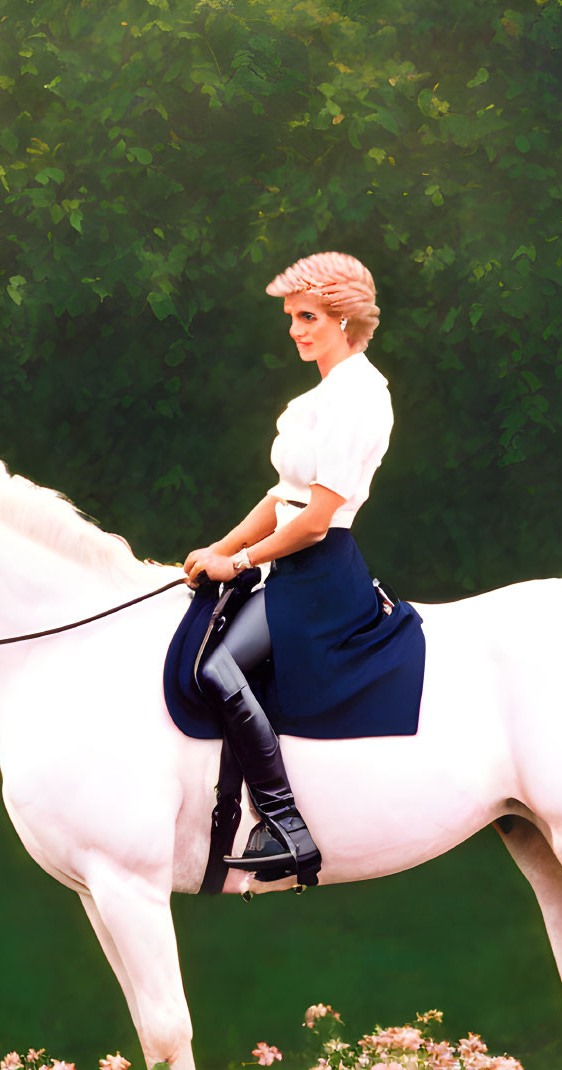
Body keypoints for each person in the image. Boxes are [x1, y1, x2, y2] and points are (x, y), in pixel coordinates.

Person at [179, 251, 422, 888]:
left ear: (343, 320)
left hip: (320, 572)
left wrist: (241, 560)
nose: (295, 329)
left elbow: (315, 519)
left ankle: (286, 824)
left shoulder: (361, 397)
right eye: (292, 317)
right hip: (291, 564)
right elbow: (280, 495)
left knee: (216, 668)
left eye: (307, 316)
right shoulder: (317, 396)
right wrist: (219, 548)